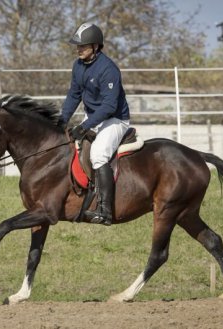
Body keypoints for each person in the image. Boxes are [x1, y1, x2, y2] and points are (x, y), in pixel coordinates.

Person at [60, 22, 130, 226]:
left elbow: (109, 106)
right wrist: (62, 121)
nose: (78, 49)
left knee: (98, 154)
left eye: (83, 45)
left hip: (114, 119)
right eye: (78, 45)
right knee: (67, 144)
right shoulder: (78, 65)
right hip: (93, 116)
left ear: (96, 47)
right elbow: (74, 95)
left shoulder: (108, 69)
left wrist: (84, 126)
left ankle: (105, 210)